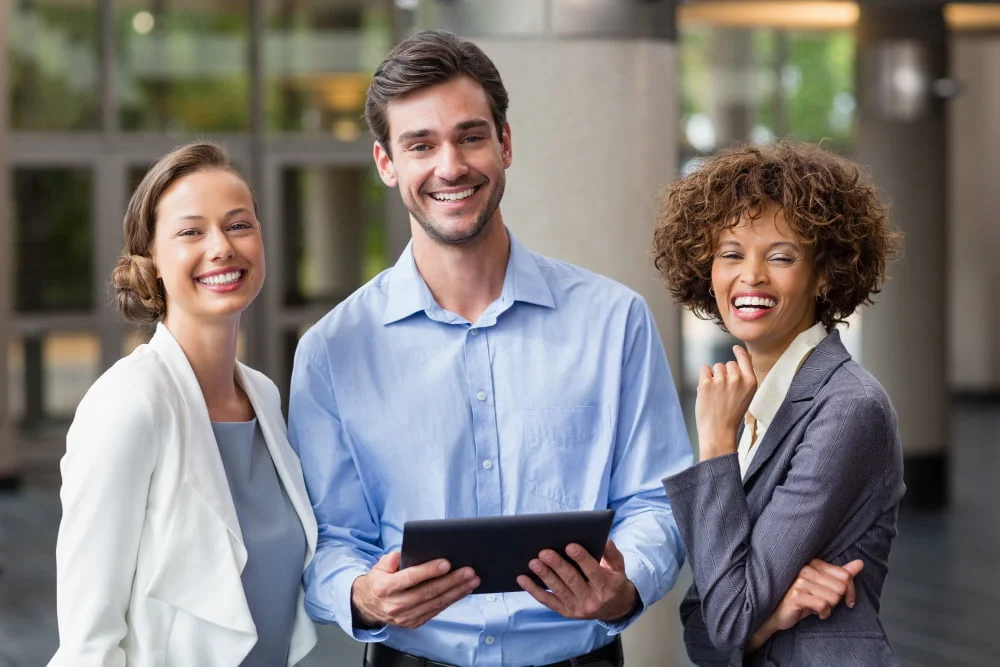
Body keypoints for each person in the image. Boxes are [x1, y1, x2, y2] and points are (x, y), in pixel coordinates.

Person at [288, 30, 692, 667]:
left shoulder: (614, 322)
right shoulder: (331, 352)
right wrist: (363, 595)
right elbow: (330, 538)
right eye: (421, 144)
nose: (450, 166)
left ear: (505, 143)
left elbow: (655, 500)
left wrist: (626, 585)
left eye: (470, 136)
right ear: (386, 163)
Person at [48, 142, 318, 667]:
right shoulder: (128, 404)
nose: (221, 247)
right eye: (191, 231)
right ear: (150, 262)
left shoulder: (263, 395)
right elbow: (88, 640)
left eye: (239, 225)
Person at [653, 141, 905, 666]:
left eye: (781, 256)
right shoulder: (751, 404)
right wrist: (768, 614)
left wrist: (717, 445)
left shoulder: (847, 407)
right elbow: (701, 631)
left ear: (826, 272)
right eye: (731, 254)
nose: (751, 276)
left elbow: (725, 623)